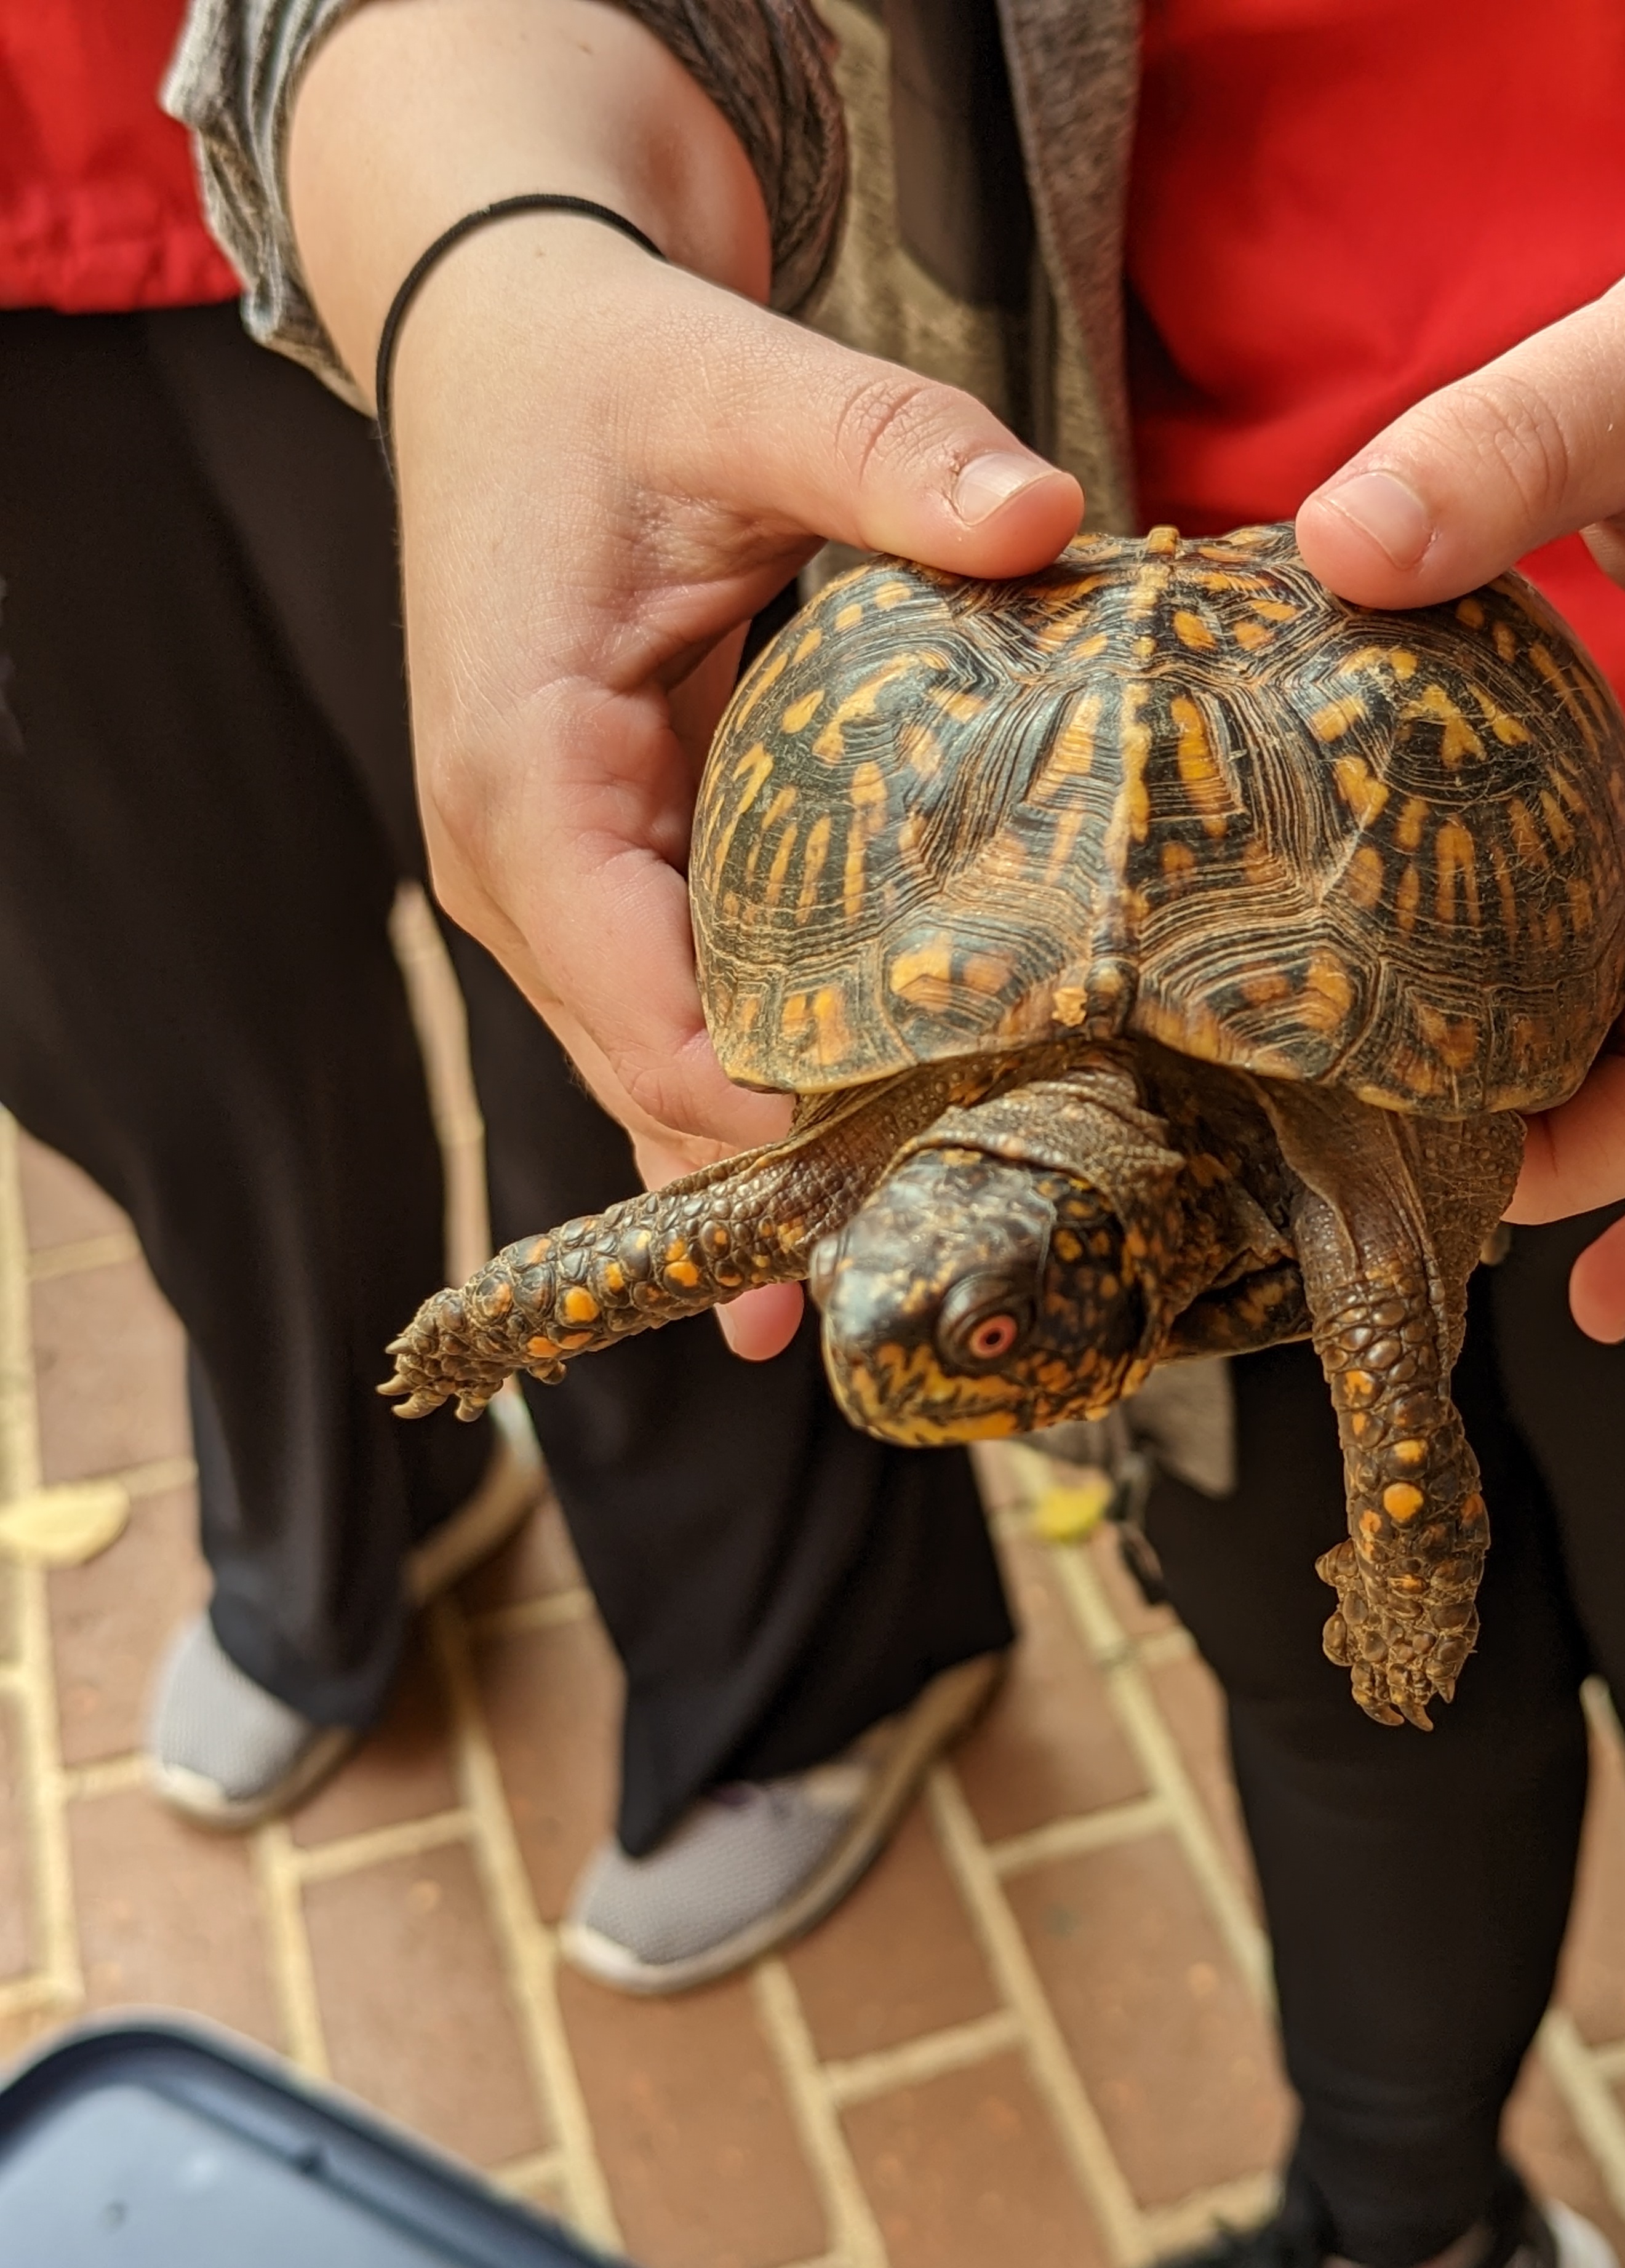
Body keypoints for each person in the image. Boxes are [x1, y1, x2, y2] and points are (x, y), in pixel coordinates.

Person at [173, 0, 1625, 2268]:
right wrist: (482, 233)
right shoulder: (946, 1191)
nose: (905, 1350)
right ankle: (1403, 2239)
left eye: (962, 1321)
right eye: (945, 1308)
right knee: (1333, 1711)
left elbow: (1362, 1295)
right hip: (1063, 594)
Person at [0, 0, 1011, 2001]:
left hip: (396, 114)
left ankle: (795, 1647)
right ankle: (344, 1486)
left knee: (622, 951)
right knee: (138, 976)